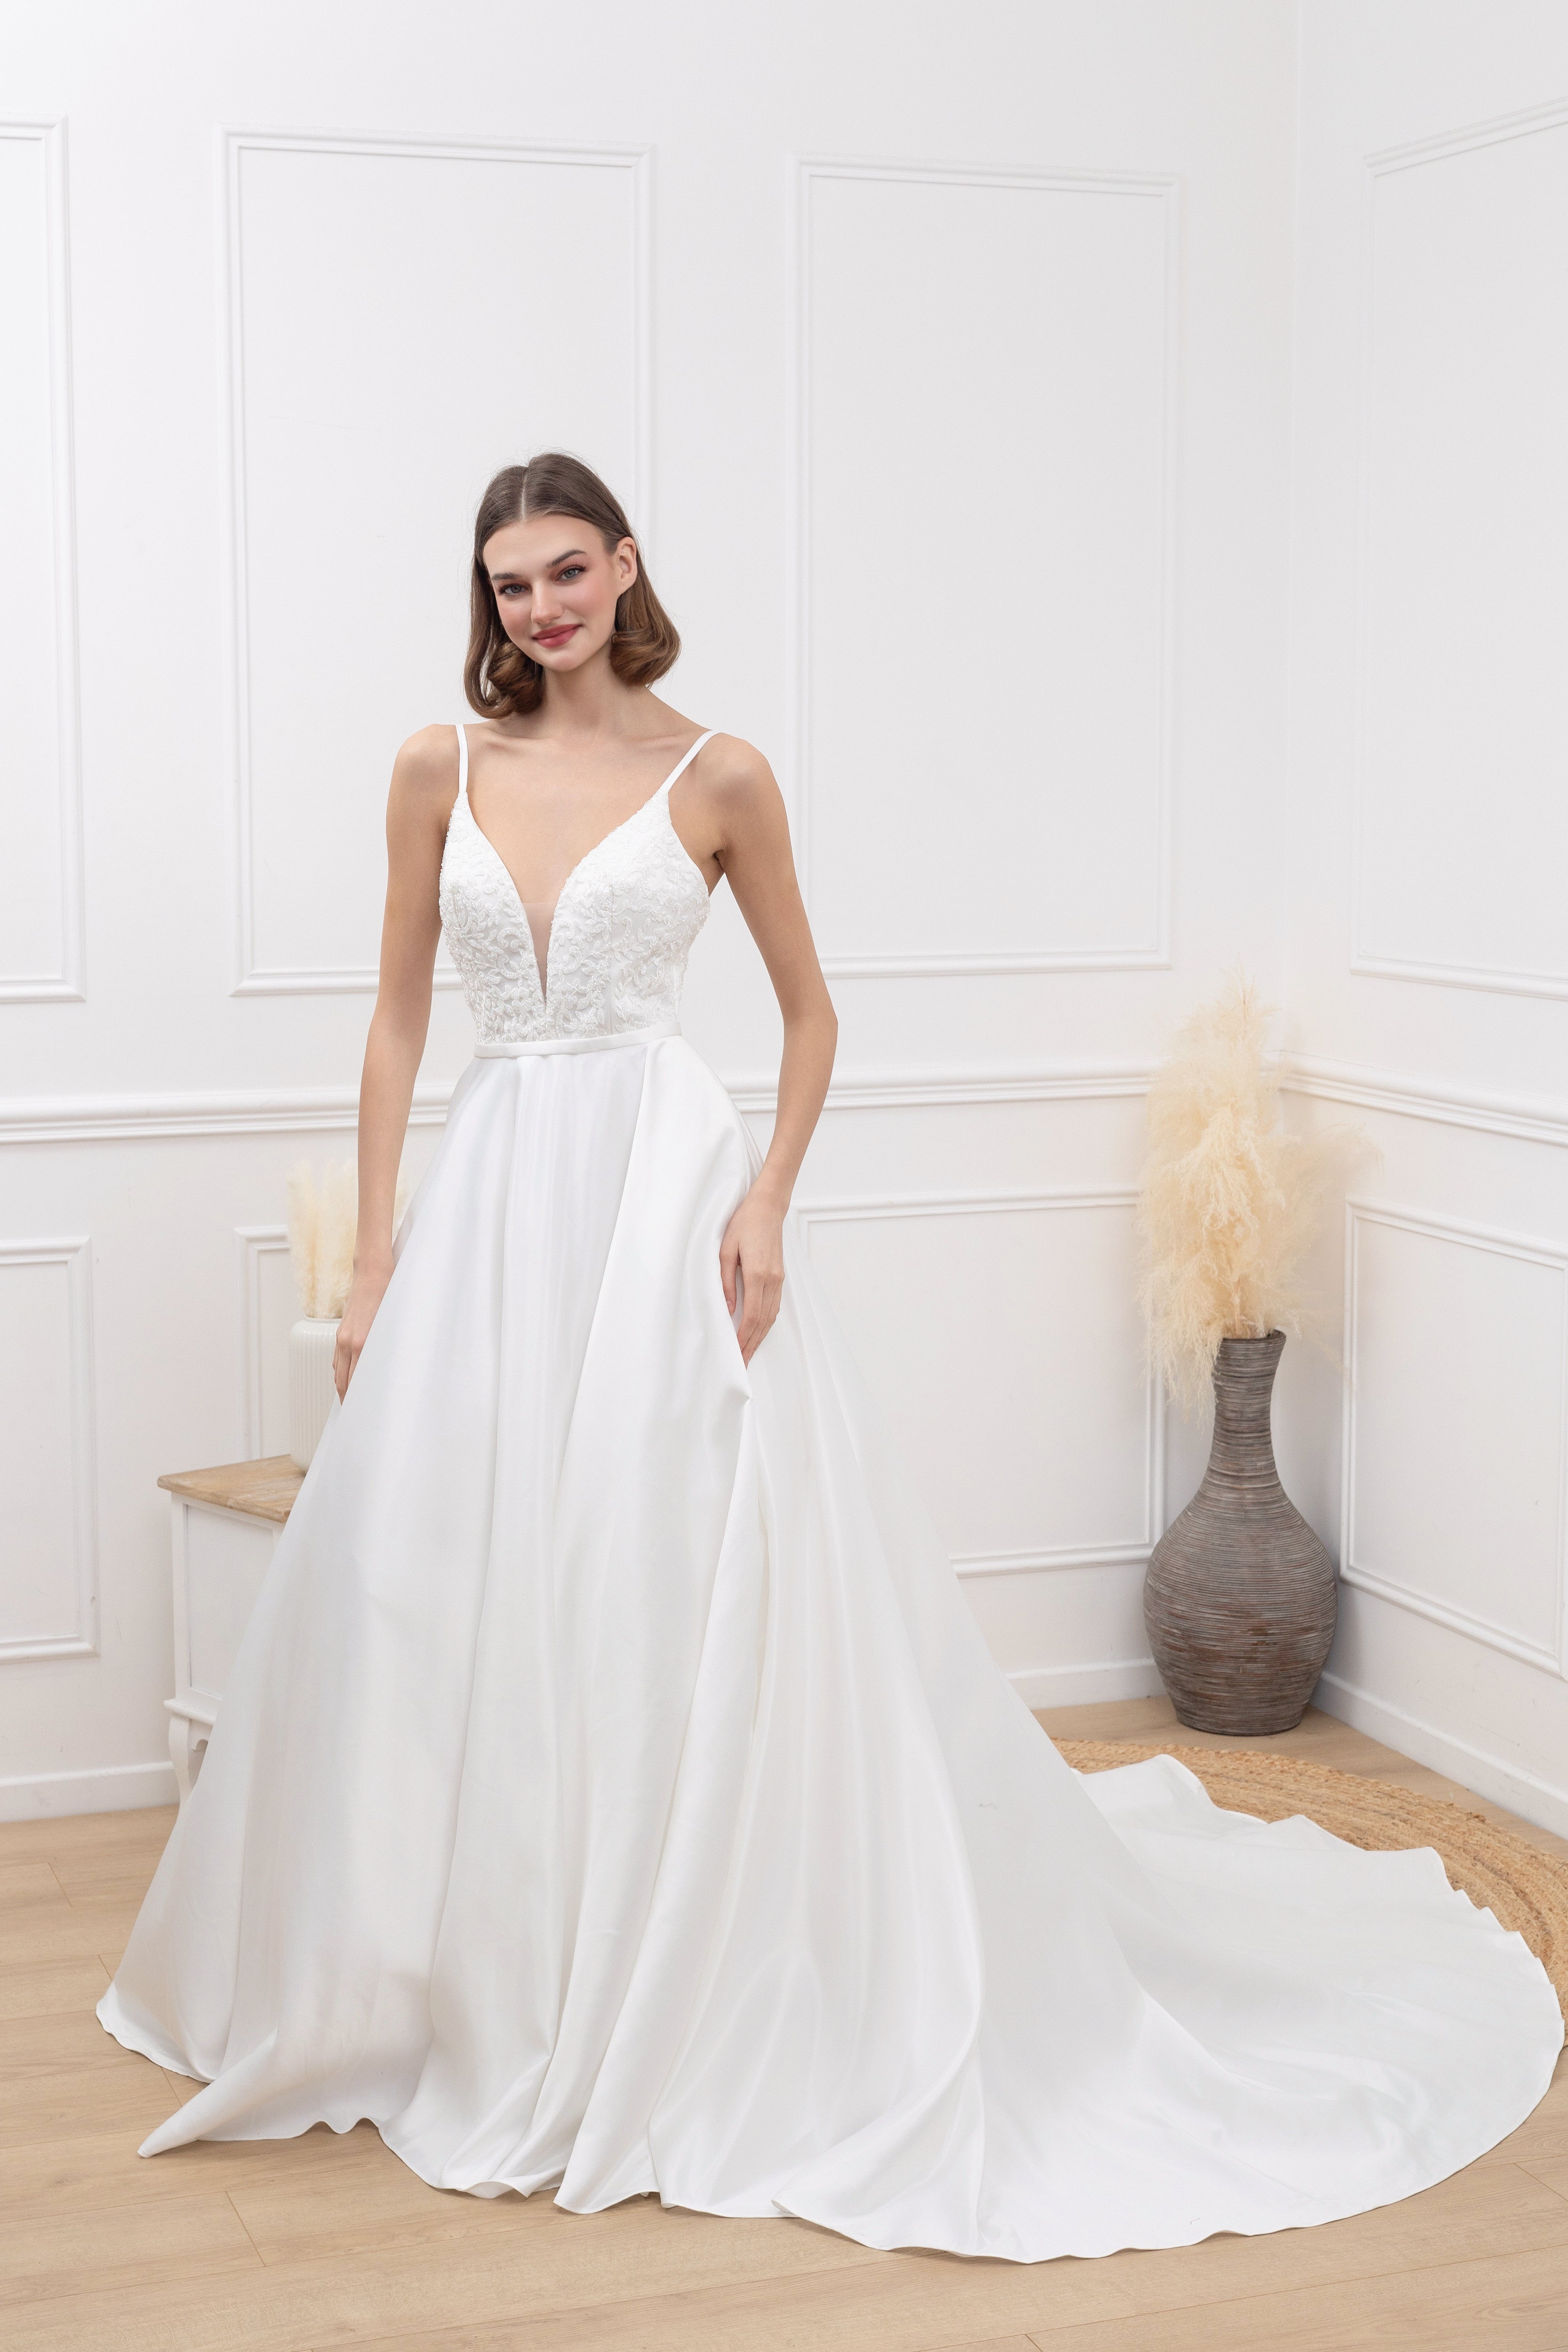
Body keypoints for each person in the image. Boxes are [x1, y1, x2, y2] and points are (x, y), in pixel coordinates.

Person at [98, 454, 1561, 2262]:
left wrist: (768, 1198)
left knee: (649, 1560)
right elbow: (400, 1020)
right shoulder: (436, 767)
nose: (538, 610)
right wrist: (378, 1248)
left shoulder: (718, 775)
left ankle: (667, 1963)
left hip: (658, 1195)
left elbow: (812, 1012)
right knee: (436, 1578)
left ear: (625, 566)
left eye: (565, 572)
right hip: (494, 1209)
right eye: (508, 585)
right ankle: (458, 1970)